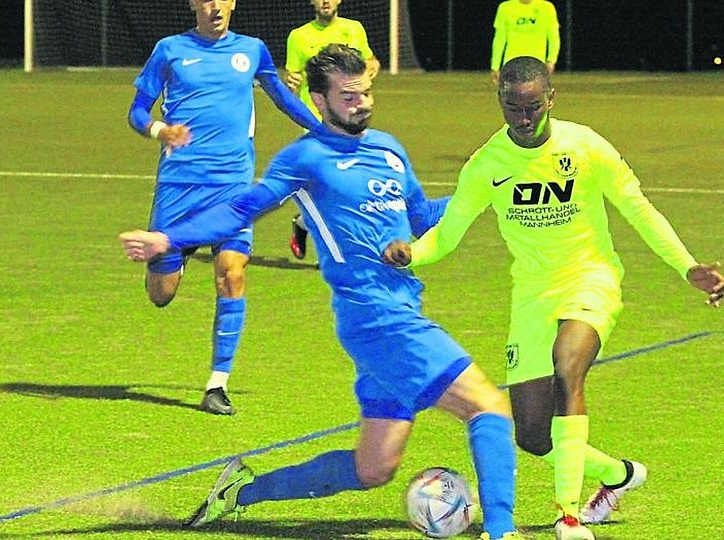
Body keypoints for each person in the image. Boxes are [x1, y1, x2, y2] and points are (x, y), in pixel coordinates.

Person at [120, 44, 523, 540]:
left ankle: (242, 490)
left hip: (397, 310)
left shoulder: (389, 149)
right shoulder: (306, 157)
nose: (361, 103)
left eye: (366, 93)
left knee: (372, 469)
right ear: (319, 98)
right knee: (488, 405)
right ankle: (502, 532)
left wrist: (484, 193)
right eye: (348, 95)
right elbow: (243, 207)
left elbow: (420, 217)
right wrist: (170, 238)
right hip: (378, 319)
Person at [383, 56, 724, 540]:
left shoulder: (585, 147)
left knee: (569, 366)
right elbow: (448, 233)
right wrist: (411, 254)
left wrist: (687, 265)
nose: (523, 120)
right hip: (532, 294)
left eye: (532, 108)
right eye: (512, 108)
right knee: (531, 434)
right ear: (499, 99)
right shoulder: (488, 164)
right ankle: (617, 475)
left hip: (591, 278)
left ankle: (569, 515)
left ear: (551, 99)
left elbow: (638, 208)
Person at [126, 0, 321, 416]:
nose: (215, 7)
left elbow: (283, 100)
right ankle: (176, 252)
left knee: (232, 274)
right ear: (194, 4)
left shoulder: (252, 50)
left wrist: (327, 131)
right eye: (207, 0)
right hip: (180, 186)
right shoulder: (169, 49)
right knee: (161, 294)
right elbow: (137, 110)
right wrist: (161, 129)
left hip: (232, 185)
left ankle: (217, 384)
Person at [284, 0, 382, 260]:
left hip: (350, 116)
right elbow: (291, 81)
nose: (325, 1)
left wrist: (371, 69)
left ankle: (304, 224)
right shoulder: (299, 36)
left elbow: (371, 62)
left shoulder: (354, 29)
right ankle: (333, 250)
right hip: (316, 120)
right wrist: (290, 83)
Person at [490, 0, 560, 84]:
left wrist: (551, 60)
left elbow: (553, 37)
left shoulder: (547, 7)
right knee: (513, 95)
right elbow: (499, 39)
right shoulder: (505, 8)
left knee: (534, 95)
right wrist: (495, 66)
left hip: (536, 64)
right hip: (512, 63)